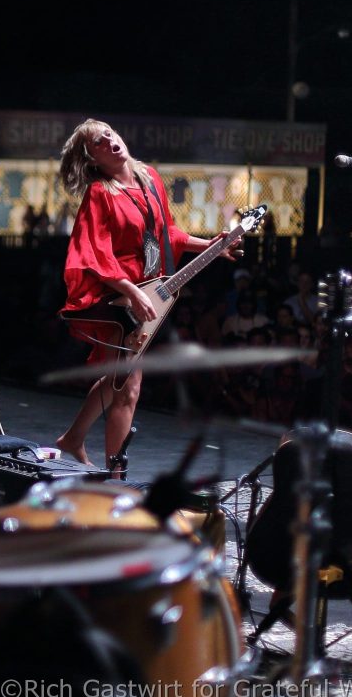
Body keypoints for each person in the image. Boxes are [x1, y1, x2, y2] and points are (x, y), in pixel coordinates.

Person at [54, 119, 238, 467]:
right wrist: (129, 290)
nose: (109, 141)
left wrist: (212, 246)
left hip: (147, 293)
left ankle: (73, 438)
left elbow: (167, 233)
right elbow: (94, 251)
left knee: (118, 377)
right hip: (116, 296)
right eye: (98, 143)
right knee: (129, 387)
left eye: (109, 134)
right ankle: (115, 479)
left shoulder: (149, 178)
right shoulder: (100, 192)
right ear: (92, 160)